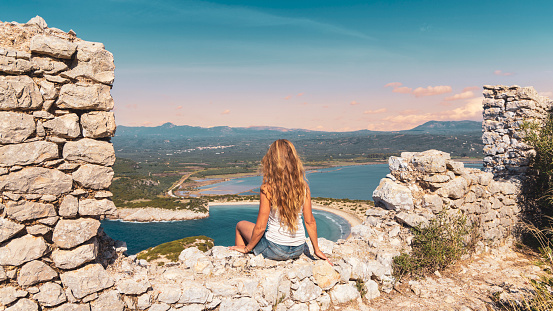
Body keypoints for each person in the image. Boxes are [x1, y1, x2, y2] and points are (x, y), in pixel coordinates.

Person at [229, 139, 331, 264]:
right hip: (298, 248)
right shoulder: (303, 186)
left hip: (275, 249)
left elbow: (260, 227)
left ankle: (242, 259)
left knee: (240, 225)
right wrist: (316, 249)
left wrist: (247, 248)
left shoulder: (267, 188)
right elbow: (310, 221)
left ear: (272, 161)